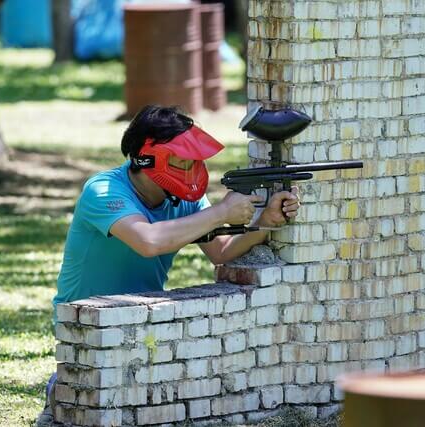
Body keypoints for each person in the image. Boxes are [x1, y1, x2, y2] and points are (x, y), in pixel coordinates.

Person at [36, 105, 300, 426]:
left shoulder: (182, 197)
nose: (190, 168)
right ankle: (60, 391)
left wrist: (264, 223)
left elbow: (221, 250)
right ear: (146, 158)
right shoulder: (103, 190)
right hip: (86, 322)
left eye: (193, 160)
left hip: (144, 321)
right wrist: (220, 213)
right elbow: (148, 241)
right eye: (180, 160)